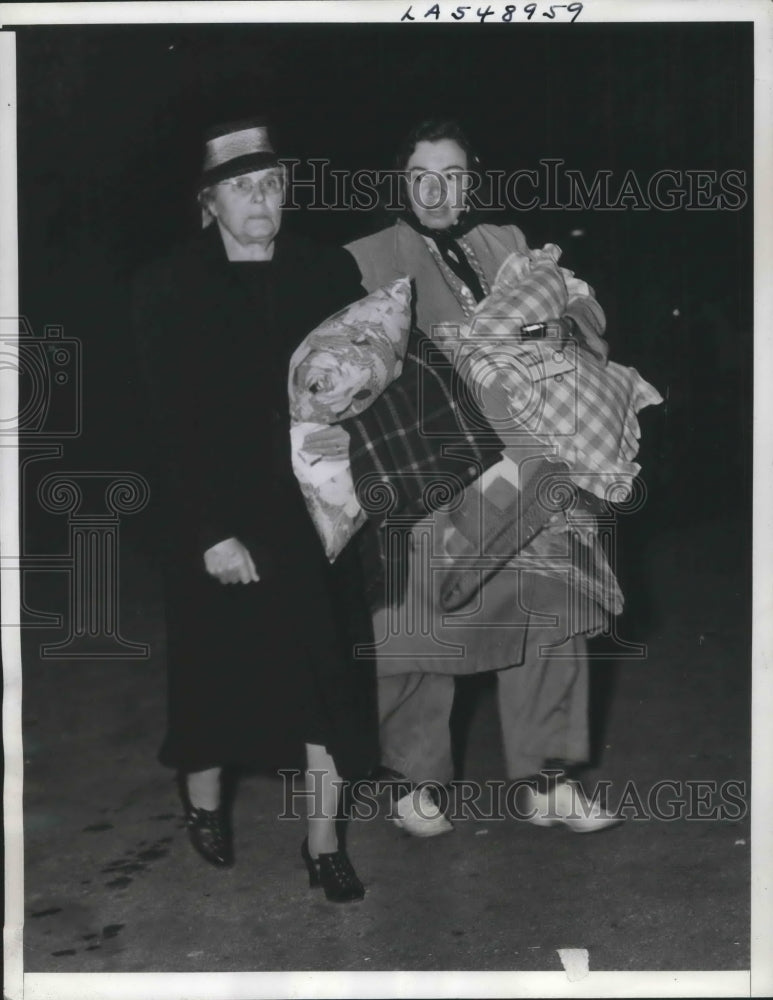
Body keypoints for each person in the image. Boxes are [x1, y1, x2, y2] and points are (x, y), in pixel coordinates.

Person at [345, 119, 623, 837]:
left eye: (455, 174)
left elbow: (581, 310)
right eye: (421, 176)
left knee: (555, 610)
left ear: (473, 178)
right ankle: (413, 781)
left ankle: (547, 777)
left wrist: (558, 326)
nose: (439, 190)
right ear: (399, 182)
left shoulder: (505, 240)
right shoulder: (365, 257)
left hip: (533, 458)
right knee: (418, 620)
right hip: (436, 466)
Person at [132, 118, 378, 901]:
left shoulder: (326, 270)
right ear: (210, 204)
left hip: (314, 511)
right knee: (217, 681)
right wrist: (210, 533)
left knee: (325, 685)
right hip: (216, 514)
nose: (260, 198)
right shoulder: (165, 286)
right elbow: (161, 424)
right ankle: (203, 802)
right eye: (241, 186)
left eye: (271, 183)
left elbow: (368, 377)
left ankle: (324, 846)